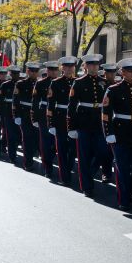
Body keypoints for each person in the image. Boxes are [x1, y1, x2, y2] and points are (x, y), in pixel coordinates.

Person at [102, 58, 132, 211]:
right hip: (120, 132)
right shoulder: (113, 89)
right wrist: (108, 132)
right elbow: (106, 113)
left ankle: (131, 189)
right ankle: (124, 199)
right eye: (130, 71)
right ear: (122, 72)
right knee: (122, 167)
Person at [68, 54, 108, 198]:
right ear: (85, 66)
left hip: (99, 122)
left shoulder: (104, 82)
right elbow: (72, 106)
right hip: (83, 121)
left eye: (96, 65)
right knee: (84, 156)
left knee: (102, 152)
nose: (94, 67)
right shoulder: (78, 82)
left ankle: (88, 173)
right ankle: (86, 186)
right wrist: (71, 127)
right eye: (91, 65)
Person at [47, 57, 78, 185]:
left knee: (73, 149)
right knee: (61, 148)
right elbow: (50, 105)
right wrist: (51, 123)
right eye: (67, 67)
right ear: (62, 68)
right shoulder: (55, 83)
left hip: (74, 119)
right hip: (60, 118)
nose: (69, 69)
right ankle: (64, 177)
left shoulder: (78, 82)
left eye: (71, 67)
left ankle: (69, 168)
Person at [33, 61, 60, 180]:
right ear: (48, 71)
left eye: (55, 70)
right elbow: (34, 102)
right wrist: (34, 118)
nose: (53, 72)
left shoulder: (61, 82)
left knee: (55, 143)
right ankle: (47, 167)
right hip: (43, 114)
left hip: (58, 114)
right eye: (51, 70)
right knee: (45, 142)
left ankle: (51, 158)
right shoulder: (40, 83)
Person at [14, 63, 41, 172]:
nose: (33, 73)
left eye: (35, 71)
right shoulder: (21, 83)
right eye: (31, 71)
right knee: (27, 139)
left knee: (36, 139)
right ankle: (28, 163)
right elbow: (16, 100)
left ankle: (34, 155)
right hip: (25, 115)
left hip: (37, 115)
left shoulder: (40, 84)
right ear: (27, 71)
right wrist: (16, 115)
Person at [0, 67, 22, 163]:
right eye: (13, 74)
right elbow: (0, 100)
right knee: (10, 135)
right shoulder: (5, 85)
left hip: (20, 112)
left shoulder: (22, 84)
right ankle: (12, 155)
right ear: (10, 74)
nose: (15, 75)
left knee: (19, 135)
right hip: (8, 112)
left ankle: (15, 149)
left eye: (17, 73)